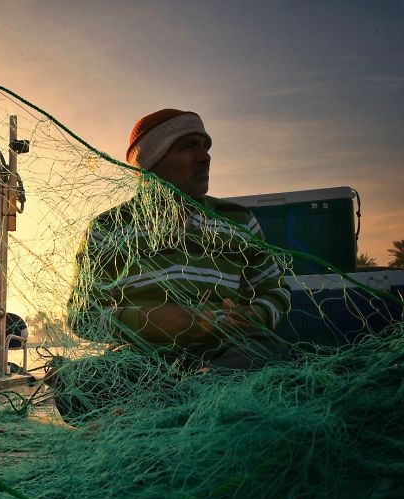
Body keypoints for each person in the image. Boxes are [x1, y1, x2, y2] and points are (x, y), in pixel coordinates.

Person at [67, 108, 291, 371]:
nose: (204, 157)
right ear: (152, 161)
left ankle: (191, 393)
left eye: (206, 147)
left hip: (226, 350)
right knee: (80, 381)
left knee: (267, 349)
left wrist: (257, 314)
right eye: (189, 147)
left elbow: (275, 290)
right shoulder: (107, 228)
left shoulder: (238, 220)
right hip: (139, 358)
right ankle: (202, 398)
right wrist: (147, 321)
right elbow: (81, 316)